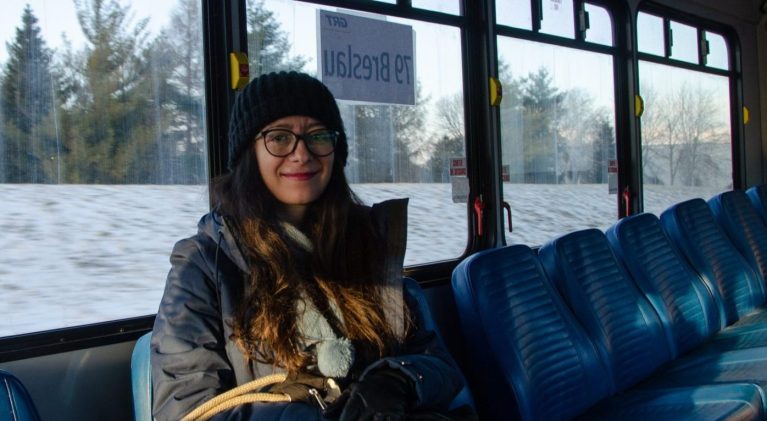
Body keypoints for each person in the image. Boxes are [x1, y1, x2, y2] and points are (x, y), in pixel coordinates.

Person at [150, 71, 466, 420]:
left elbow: (438, 364)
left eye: (317, 136)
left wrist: (399, 378)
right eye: (280, 138)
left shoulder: (370, 245)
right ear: (249, 153)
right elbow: (186, 409)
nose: (301, 154)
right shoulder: (203, 265)